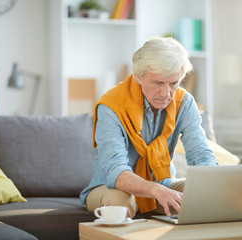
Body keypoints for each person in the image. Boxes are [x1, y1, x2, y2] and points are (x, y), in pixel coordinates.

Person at [80, 37, 218, 218]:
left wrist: (213, 182)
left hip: (164, 183)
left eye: (174, 83)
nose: (166, 93)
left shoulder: (184, 101)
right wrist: (155, 190)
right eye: (158, 83)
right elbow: (116, 171)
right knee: (121, 202)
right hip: (109, 187)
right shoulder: (111, 106)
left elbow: (200, 153)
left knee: (210, 193)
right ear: (138, 76)